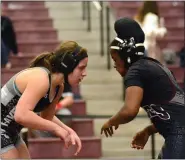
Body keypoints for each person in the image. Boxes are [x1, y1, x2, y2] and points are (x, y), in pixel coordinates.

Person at [101, 18, 185, 159]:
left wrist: (111, 122)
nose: (114, 65)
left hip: (179, 134)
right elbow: (175, 111)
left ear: (126, 57)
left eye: (115, 60)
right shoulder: (153, 65)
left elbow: (129, 110)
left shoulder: (135, 71)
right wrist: (148, 130)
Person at [1, 41, 88, 159]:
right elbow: (21, 115)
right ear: (68, 65)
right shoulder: (41, 78)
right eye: (81, 68)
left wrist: (68, 130)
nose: (85, 74)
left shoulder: (58, 87)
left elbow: (47, 117)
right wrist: (56, 128)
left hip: (11, 132)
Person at [1, 4, 19, 69]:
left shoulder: (6, 21)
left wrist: (15, 51)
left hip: (5, 47)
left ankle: (6, 62)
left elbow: (12, 36)